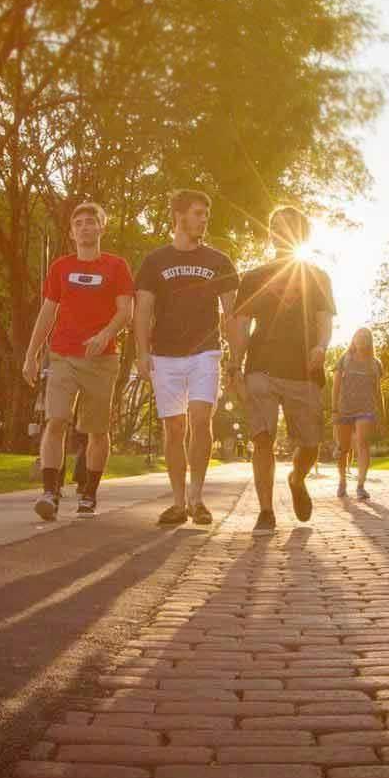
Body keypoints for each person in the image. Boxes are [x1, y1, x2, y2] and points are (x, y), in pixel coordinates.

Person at [133, 190, 238, 527]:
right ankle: (178, 503)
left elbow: (232, 312)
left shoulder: (219, 261)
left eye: (206, 213)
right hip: (165, 355)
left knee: (200, 419)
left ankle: (197, 497)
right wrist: (141, 353)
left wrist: (236, 359)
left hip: (205, 352)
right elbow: (143, 310)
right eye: (197, 213)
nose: (204, 219)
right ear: (179, 216)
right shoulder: (154, 261)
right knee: (174, 427)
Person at [22, 202, 133, 519]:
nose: (85, 227)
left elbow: (126, 311)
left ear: (101, 227)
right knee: (56, 420)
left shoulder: (116, 266)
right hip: (63, 356)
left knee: (96, 431)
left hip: (101, 359)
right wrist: (31, 355)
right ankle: (49, 492)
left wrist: (104, 334)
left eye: (91, 222)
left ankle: (89, 493)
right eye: (79, 223)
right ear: (72, 232)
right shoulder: (61, 268)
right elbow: (47, 313)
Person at [232, 206, 335, 533]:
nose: (281, 230)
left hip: (303, 369)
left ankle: (296, 478)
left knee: (310, 443)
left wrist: (321, 347)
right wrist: (234, 365)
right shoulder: (254, 276)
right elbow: (242, 323)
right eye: (275, 225)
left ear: (302, 234)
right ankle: (265, 511)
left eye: (289, 226)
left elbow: (324, 322)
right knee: (262, 438)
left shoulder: (318, 276)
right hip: (260, 365)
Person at [331, 327, 383, 500]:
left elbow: (378, 391)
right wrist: (334, 410)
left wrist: (382, 414)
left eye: (365, 337)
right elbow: (336, 387)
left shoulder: (375, 364)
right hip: (344, 408)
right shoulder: (344, 360)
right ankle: (342, 481)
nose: (361, 340)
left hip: (366, 409)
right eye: (358, 337)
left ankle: (361, 485)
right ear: (353, 340)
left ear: (369, 342)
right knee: (343, 448)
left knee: (362, 443)